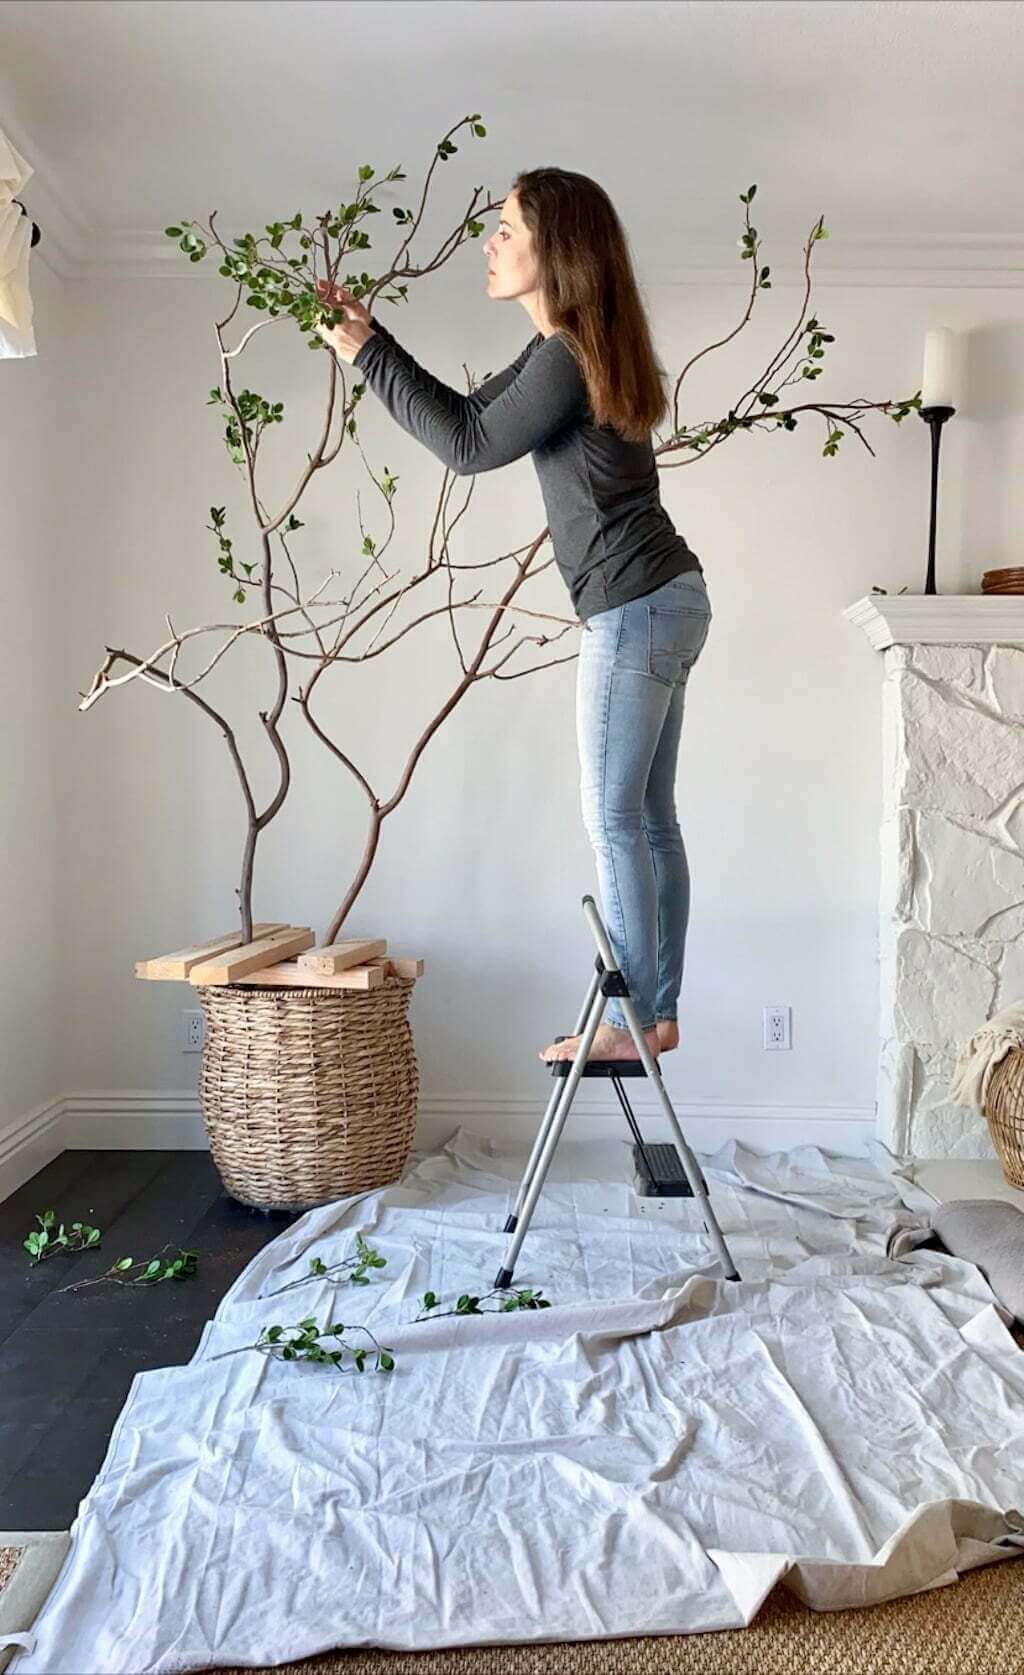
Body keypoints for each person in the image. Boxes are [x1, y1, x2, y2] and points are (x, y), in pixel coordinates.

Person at [315, 167, 712, 1066]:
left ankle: (633, 1022)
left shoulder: (569, 355)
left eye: (505, 228)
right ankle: (657, 1013)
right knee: (650, 819)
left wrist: (364, 353)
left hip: (636, 607)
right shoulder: (568, 352)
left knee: (618, 819)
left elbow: (465, 449)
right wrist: (371, 340)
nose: (489, 244)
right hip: (669, 596)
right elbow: (465, 419)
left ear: (554, 248)